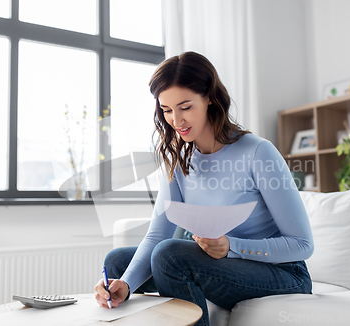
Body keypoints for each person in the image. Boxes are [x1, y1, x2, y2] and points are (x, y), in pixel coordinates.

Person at [94, 51, 314, 326]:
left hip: (283, 274)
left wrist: (231, 247)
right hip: (224, 265)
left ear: (209, 97)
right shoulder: (178, 158)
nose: (176, 120)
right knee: (118, 263)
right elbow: (157, 234)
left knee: (169, 255)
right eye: (166, 110)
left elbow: (303, 245)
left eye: (185, 107)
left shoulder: (258, 152)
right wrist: (124, 284)